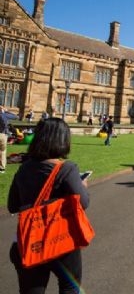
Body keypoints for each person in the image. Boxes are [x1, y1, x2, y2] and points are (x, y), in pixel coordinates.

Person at [8, 117, 91, 293]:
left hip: (30, 242)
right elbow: (83, 202)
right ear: (63, 140)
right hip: (59, 242)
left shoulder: (24, 168)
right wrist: (83, 185)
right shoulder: (66, 169)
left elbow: (12, 205)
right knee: (70, 287)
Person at [0, 106, 10, 173]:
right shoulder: (3, 115)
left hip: (2, 134)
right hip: (2, 134)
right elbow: (16, 116)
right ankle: (2, 168)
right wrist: (6, 112)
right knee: (3, 151)